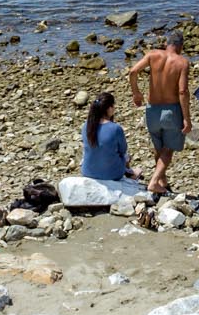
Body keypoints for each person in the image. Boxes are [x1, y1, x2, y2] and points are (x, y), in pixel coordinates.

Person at [127, 33, 191, 196]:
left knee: (158, 147)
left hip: (152, 109)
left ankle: (162, 181)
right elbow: (182, 91)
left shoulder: (152, 55)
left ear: (166, 43)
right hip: (171, 111)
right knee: (168, 149)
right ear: (180, 46)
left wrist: (136, 93)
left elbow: (133, 71)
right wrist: (186, 118)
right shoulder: (182, 62)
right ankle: (154, 182)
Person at [81, 91, 136, 182]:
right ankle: (129, 172)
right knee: (125, 156)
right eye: (113, 105)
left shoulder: (86, 125)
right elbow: (122, 150)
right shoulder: (115, 128)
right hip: (112, 174)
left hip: (87, 171)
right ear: (109, 108)